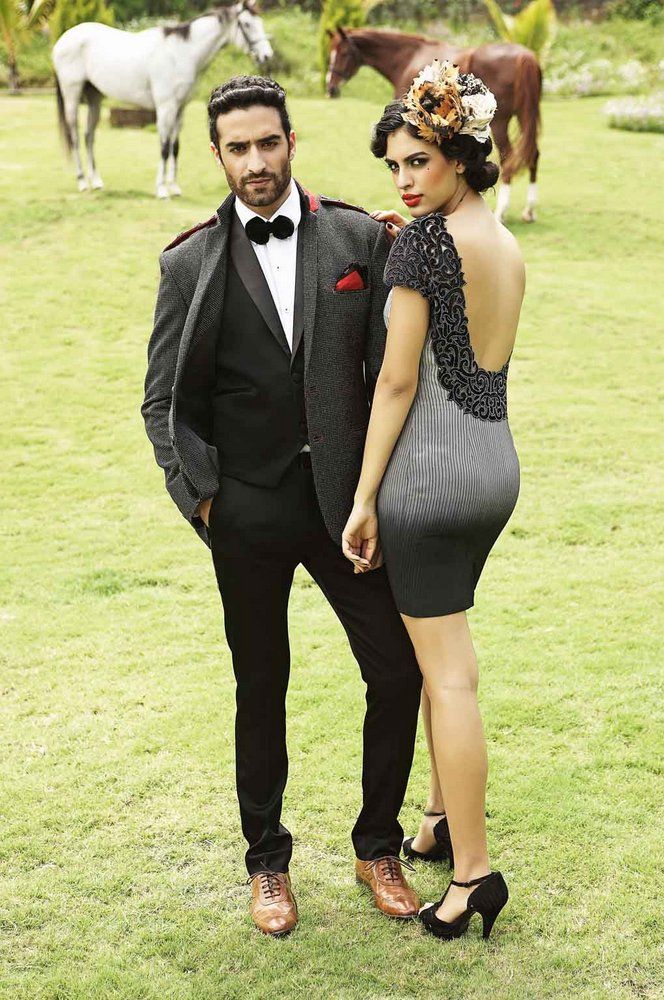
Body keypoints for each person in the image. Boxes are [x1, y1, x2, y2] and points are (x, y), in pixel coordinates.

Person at [141, 75, 423, 938]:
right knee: (260, 685)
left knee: (397, 671)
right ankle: (267, 862)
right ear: (217, 155)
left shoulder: (356, 237)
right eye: (238, 148)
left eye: (268, 142)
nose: (255, 161)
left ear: (291, 141)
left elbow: (395, 373)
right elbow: (163, 402)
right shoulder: (187, 262)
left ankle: (377, 847)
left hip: (349, 508)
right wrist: (201, 500)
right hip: (245, 512)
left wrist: (377, 493)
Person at [342, 59, 524, 941]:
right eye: (393, 167)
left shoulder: (422, 246)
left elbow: (396, 382)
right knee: (442, 659)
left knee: (445, 675)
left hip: (427, 481)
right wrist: (408, 238)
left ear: (457, 152)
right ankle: (438, 818)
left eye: (417, 161)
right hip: (493, 472)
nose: (404, 181)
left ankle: (472, 876)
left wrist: (362, 497)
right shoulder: (502, 241)